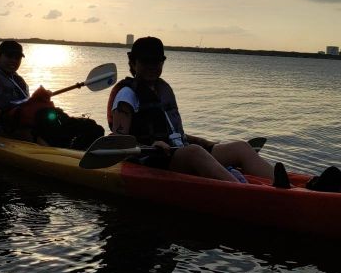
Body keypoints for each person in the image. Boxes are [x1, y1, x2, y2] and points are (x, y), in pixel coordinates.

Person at [107, 36, 287, 184]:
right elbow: (119, 142)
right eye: (146, 61)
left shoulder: (162, 90)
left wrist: (204, 141)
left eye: (157, 61)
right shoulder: (127, 95)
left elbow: (174, 134)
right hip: (150, 159)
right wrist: (150, 146)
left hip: (176, 153)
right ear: (133, 63)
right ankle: (247, 193)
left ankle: (291, 188)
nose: (152, 66)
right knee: (194, 151)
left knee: (240, 147)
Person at [0, 40, 104, 148]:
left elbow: (26, 106)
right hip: (0, 128)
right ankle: (60, 153)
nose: (13, 61)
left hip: (25, 123)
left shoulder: (19, 82)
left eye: (17, 57)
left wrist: (41, 99)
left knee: (89, 126)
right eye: (9, 56)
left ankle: (82, 148)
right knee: (43, 126)